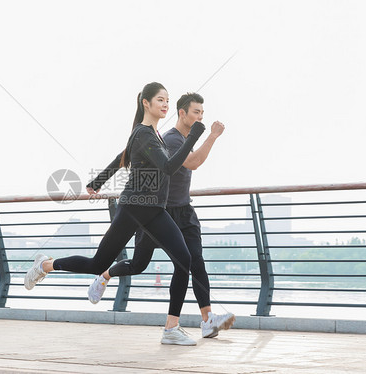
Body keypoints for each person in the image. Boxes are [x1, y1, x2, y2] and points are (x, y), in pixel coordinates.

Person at [25, 82, 206, 345]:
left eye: (167, 100)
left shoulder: (153, 134)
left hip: (154, 210)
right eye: (160, 100)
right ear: (146, 103)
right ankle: (45, 265)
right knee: (98, 264)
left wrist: (97, 181)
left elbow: (123, 157)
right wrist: (195, 135)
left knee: (184, 260)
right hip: (133, 208)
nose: (165, 104)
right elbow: (168, 167)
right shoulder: (143, 134)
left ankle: (171, 328)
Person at [86, 92, 235, 339]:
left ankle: (204, 320)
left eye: (202, 113)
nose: (200, 117)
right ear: (182, 113)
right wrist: (212, 135)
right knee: (138, 264)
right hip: (159, 212)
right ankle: (105, 274)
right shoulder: (170, 139)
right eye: (196, 112)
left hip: (184, 211)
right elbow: (194, 162)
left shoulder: (173, 137)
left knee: (193, 261)